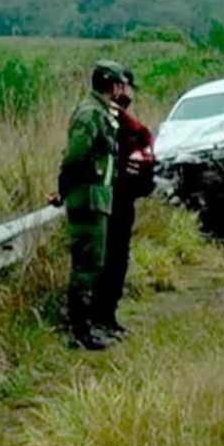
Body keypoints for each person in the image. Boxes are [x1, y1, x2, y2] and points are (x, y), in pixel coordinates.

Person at [51, 59, 130, 350]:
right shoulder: (90, 114)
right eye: (120, 83)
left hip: (98, 197)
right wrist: (63, 189)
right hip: (87, 199)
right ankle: (80, 331)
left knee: (93, 264)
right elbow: (75, 156)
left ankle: (86, 327)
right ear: (112, 84)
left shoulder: (102, 112)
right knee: (85, 266)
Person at [91, 70, 155, 340]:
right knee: (106, 261)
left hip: (123, 198)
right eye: (125, 87)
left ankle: (108, 317)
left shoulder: (128, 124)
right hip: (107, 198)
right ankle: (98, 319)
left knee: (118, 260)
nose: (129, 93)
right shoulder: (104, 118)